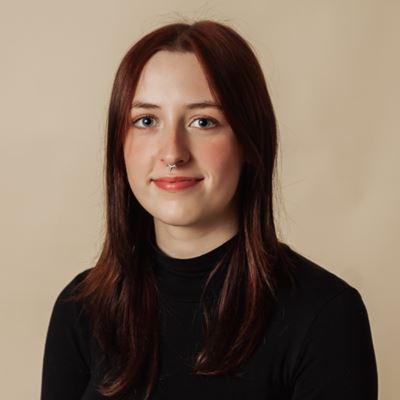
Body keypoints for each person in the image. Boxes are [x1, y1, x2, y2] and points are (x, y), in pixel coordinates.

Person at [40, 20, 378, 400]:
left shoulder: (326, 315)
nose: (173, 153)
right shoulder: (81, 309)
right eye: (146, 120)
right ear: (120, 145)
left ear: (249, 142)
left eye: (203, 121)